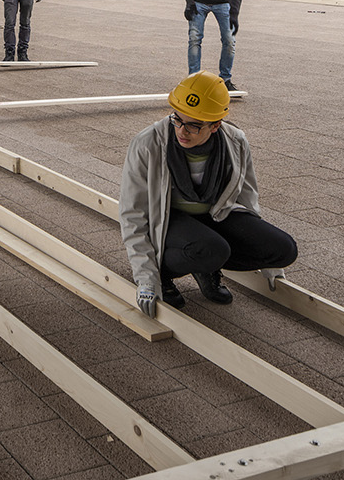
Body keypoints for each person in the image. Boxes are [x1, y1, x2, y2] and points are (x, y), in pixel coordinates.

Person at [119, 72, 298, 316]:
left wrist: (270, 265)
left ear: (216, 125)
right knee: (213, 249)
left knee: (284, 249)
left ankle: (206, 262)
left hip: (214, 214)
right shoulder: (147, 144)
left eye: (194, 125)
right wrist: (146, 278)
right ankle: (165, 273)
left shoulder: (235, 142)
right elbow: (132, 215)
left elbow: (246, 200)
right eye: (177, 120)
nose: (182, 131)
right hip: (170, 219)